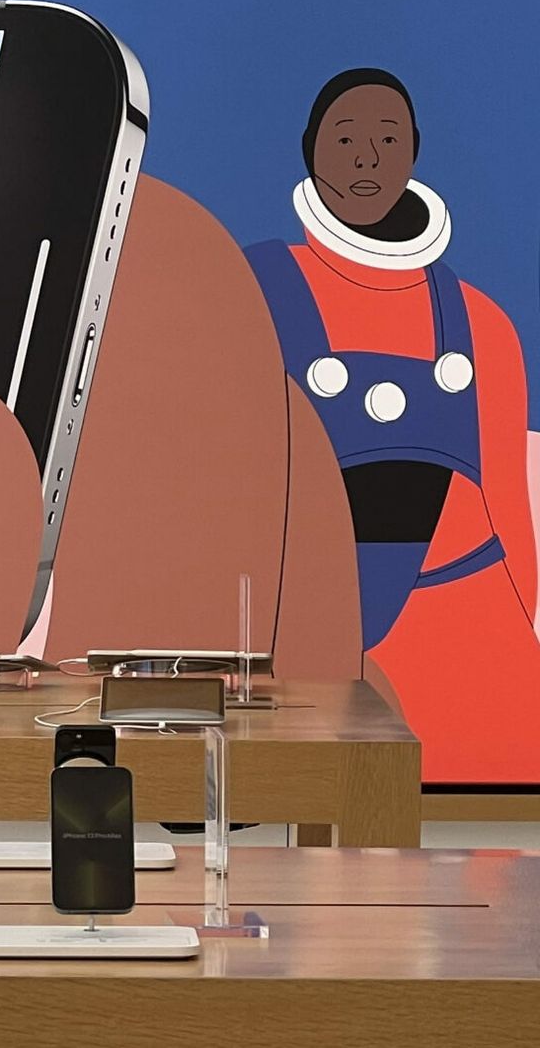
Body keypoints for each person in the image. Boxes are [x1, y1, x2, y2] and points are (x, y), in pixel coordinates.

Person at [244, 68, 540, 782]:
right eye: (346, 137)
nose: (367, 159)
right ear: (310, 149)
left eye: (387, 138)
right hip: (302, 625)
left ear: (415, 152)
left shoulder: (483, 322)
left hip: (463, 618)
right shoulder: (252, 286)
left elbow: (508, 501)